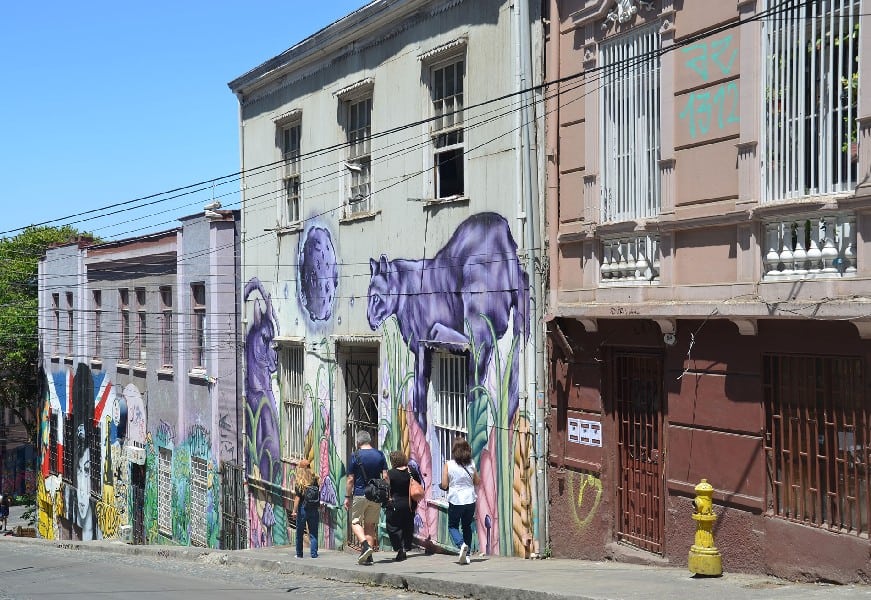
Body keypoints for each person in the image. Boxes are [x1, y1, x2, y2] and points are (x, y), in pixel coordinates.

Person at [344, 430, 388, 565]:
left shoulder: (355, 455)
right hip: (375, 495)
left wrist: (347, 496)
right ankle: (368, 557)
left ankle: (365, 546)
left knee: (355, 522)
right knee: (370, 525)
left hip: (360, 493)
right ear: (369, 440)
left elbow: (350, 479)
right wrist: (387, 493)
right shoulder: (379, 454)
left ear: (358, 442)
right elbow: (385, 476)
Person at [440, 437, 480, 565]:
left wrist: (442, 485)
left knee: (453, 526)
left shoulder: (448, 464)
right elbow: (477, 482)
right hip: (470, 499)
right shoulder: (472, 464)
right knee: (467, 526)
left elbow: (445, 485)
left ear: (454, 450)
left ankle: (461, 544)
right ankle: (467, 555)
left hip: (456, 500)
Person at [385, 450, 421, 561]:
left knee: (392, 527)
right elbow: (418, 484)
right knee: (407, 526)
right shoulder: (412, 472)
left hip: (395, 504)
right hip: (410, 504)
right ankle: (405, 548)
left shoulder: (390, 474)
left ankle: (399, 548)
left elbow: (386, 489)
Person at [291, 459, 319, 558]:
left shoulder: (300, 481)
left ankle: (299, 554)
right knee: (313, 533)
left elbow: (297, 498)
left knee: (299, 533)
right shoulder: (315, 479)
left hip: (303, 509)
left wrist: (294, 511)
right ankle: (314, 554)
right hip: (314, 508)